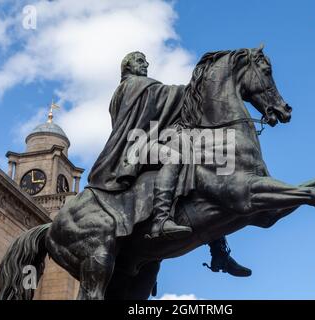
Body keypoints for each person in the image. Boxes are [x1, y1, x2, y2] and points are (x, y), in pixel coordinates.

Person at [87, 51, 251, 277]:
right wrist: (201, 86)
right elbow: (164, 97)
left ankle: (219, 251)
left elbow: (158, 110)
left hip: (145, 141)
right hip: (134, 147)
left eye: (145, 61)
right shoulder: (134, 85)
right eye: (140, 61)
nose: (145, 64)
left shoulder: (138, 87)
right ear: (127, 67)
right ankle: (161, 220)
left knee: (202, 175)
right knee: (175, 157)